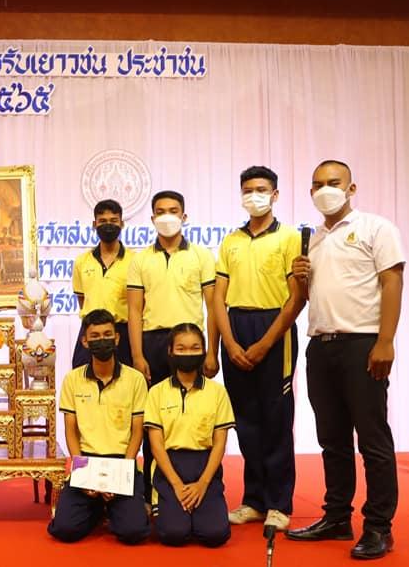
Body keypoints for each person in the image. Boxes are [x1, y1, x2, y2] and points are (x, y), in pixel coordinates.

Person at [286, 160, 404, 560]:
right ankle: (337, 517)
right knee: (331, 440)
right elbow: (312, 296)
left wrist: (385, 340)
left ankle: (379, 527)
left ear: (351, 188)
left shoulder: (376, 228)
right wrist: (300, 278)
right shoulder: (312, 239)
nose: (325, 190)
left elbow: (392, 282)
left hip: (362, 344)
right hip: (321, 346)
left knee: (372, 440)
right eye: (317, 184)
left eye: (333, 182)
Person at [212, 165, 305, 533]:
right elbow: (218, 299)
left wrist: (266, 342)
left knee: (276, 418)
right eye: (248, 190)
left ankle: (279, 503)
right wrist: (230, 342)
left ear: (275, 195)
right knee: (245, 419)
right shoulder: (231, 241)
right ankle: (253, 500)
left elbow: (296, 298)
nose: (255, 196)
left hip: (275, 328)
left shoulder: (289, 238)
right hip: (237, 325)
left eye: (262, 189)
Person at [128, 190, 219, 508]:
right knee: (154, 420)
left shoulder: (201, 256)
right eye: (161, 211)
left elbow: (213, 307)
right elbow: (134, 310)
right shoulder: (141, 259)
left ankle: (198, 486)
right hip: (153, 343)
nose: (167, 216)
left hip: (190, 345)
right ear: (152, 218)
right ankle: (152, 493)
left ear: (184, 216)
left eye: (174, 210)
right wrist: (137, 355)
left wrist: (212, 351)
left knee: (192, 416)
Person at [47, 309, 150, 545]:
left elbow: (137, 432)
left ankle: (111, 508)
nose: (101, 340)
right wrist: (81, 471)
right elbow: (70, 431)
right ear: (85, 341)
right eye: (95, 336)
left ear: (117, 338)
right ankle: (97, 510)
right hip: (86, 460)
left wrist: (122, 472)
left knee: (133, 532)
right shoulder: (73, 379)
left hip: (121, 460)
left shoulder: (135, 379)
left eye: (107, 335)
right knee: (64, 530)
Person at [144, 323, 234, 547]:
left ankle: (201, 510)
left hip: (205, 465)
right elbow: (156, 446)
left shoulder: (217, 392)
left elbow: (220, 444)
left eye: (195, 348)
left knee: (215, 535)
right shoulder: (156, 392)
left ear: (203, 351)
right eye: (181, 349)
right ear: (170, 352)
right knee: (173, 534)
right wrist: (176, 485)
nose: (188, 354)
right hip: (170, 465)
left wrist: (203, 483)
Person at [71, 199, 134, 368]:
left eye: (113, 221)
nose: (108, 225)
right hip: (90, 331)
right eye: (103, 221)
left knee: (125, 379)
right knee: (82, 376)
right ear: (94, 224)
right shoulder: (82, 261)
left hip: (122, 332)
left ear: (122, 223)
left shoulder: (135, 261)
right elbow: (82, 299)